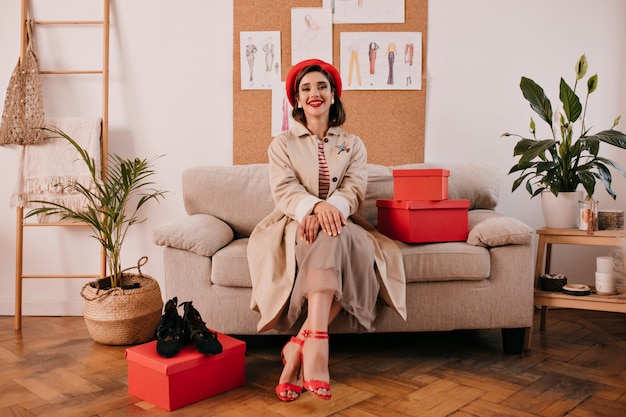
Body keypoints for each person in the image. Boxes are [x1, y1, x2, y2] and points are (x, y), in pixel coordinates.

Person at [247, 59, 406, 402]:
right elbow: (285, 190)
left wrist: (332, 209)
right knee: (326, 236)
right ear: (298, 100)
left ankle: (302, 346)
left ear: (333, 95)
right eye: (306, 89)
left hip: (344, 222)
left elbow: (354, 188)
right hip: (294, 224)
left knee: (337, 235)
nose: (314, 93)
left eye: (321, 86)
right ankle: (315, 349)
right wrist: (315, 208)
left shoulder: (354, 144)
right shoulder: (282, 145)